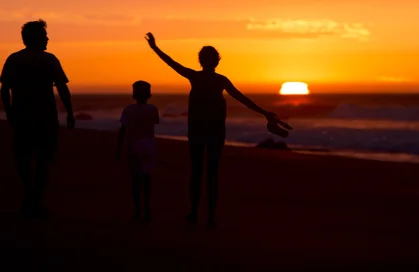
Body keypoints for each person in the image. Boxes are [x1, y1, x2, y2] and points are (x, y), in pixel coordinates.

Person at [145, 32, 291, 227]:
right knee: (211, 172)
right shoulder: (220, 80)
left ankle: (195, 212)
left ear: (201, 61)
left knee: (197, 171)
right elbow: (243, 99)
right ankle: (209, 216)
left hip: (199, 130)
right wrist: (264, 112)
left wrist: (155, 47)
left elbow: (171, 62)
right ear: (216, 61)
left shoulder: (195, 76)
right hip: (213, 132)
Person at [0, 20, 75, 216]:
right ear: (35, 38)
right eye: (44, 35)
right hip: (44, 118)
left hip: (23, 117)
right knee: (42, 160)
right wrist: (70, 113)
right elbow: (63, 88)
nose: (47, 38)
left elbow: (4, 89)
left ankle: (30, 194)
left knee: (24, 159)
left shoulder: (14, 59)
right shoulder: (49, 60)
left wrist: (9, 111)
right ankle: (36, 199)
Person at [117, 81, 160, 222]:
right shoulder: (153, 109)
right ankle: (147, 209)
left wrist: (118, 147)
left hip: (134, 146)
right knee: (147, 180)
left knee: (135, 180)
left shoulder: (128, 110)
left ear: (134, 94)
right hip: (149, 146)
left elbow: (123, 129)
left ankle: (137, 211)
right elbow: (154, 124)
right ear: (149, 94)